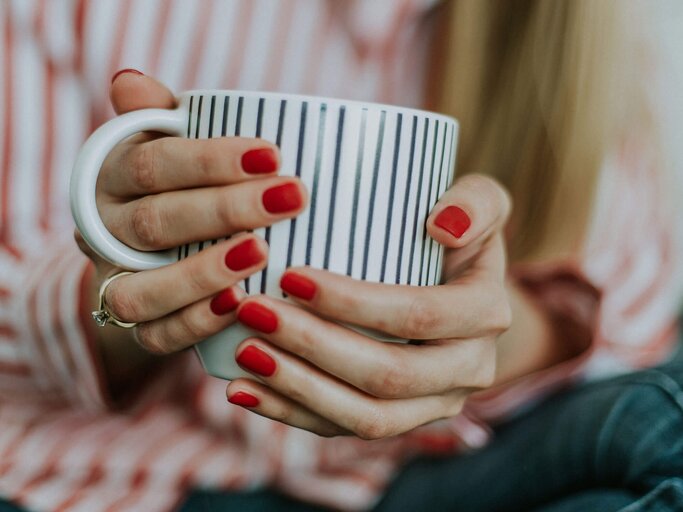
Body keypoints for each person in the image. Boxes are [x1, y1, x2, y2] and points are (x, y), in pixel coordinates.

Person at [0, 1, 681, 511]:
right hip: (117, 479)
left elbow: (635, 296)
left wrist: (475, 332)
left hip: (419, 475)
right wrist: (126, 286)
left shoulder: (558, 24)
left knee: (662, 425)